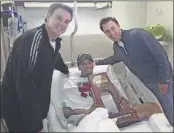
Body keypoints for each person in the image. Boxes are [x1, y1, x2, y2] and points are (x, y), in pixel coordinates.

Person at [1, 3, 73, 132]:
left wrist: (67, 71)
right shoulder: (32, 40)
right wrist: (35, 123)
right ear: (47, 17)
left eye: (67, 21)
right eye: (59, 18)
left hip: (33, 109)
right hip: (18, 109)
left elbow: (55, 58)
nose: (62, 24)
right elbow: (25, 84)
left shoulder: (53, 41)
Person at [95, 17, 173, 126]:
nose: (112, 33)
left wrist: (164, 80)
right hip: (147, 83)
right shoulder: (117, 46)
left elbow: (161, 55)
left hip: (162, 80)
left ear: (118, 25)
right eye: (107, 31)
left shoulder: (137, 35)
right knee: (164, 109)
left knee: (170, 108)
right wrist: (97, 63)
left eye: (113, 28)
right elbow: (115, 58)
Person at [62, 53, 162, 127]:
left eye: (89, 63)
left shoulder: (102, 78)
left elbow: (118, 98)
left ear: (93, 64)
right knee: (99, 123)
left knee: (153, 107)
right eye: (83, 64)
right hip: (88, 117)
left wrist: (123, 101)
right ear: (78, 66)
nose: (87, 66)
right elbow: (66, 112)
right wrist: (86, 111)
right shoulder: (71, 83)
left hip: (111, 113)